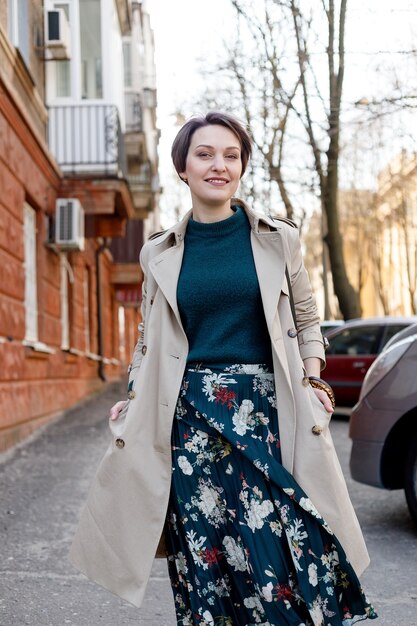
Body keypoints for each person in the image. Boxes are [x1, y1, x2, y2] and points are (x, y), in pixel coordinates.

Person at [70, 112, 377, 625]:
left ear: (242, 167)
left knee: (280, 544)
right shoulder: (159, 252)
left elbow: (305, 316)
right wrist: (134, 392)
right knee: (207, 553)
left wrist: (314, 375)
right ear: (183, 168)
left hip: (265, 412)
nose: (219, 165)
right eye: (205, 154)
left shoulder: (278, 239)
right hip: (187, 419)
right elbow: (149, 336)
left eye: (231, 155)